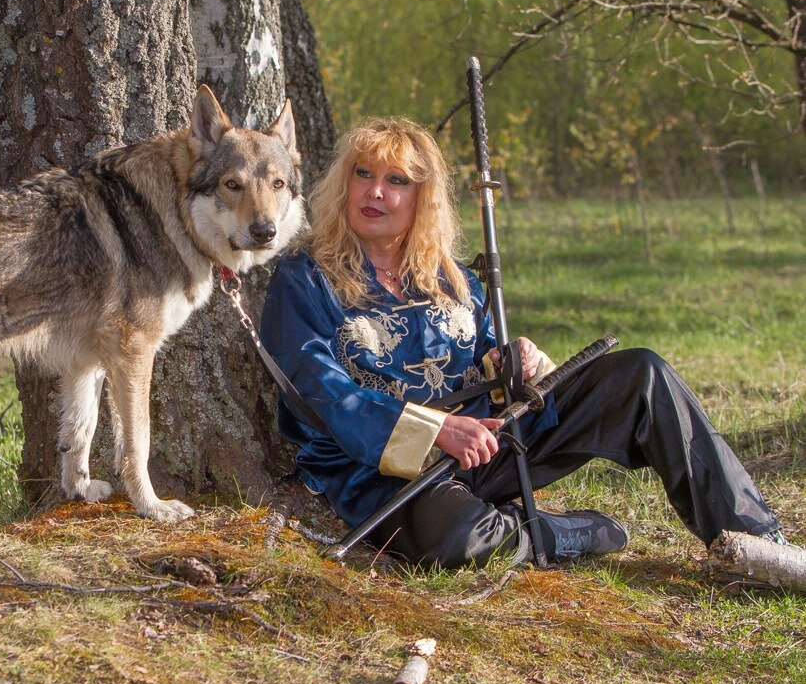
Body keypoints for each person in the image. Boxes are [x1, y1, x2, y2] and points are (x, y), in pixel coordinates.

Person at [259, 118, 786, 569]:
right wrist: (436, 428)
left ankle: (759, 541)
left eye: (397, 180)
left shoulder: (453, 279)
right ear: (341, 185)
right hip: (379, 469)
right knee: (458, 537)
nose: (375, 192)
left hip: (487, 444)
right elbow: (321, 393)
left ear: (424, 199)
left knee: (640, 375)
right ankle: (562, 533)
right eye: (363, 174)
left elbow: (491, 362)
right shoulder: (303, 281)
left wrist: (515, 361)